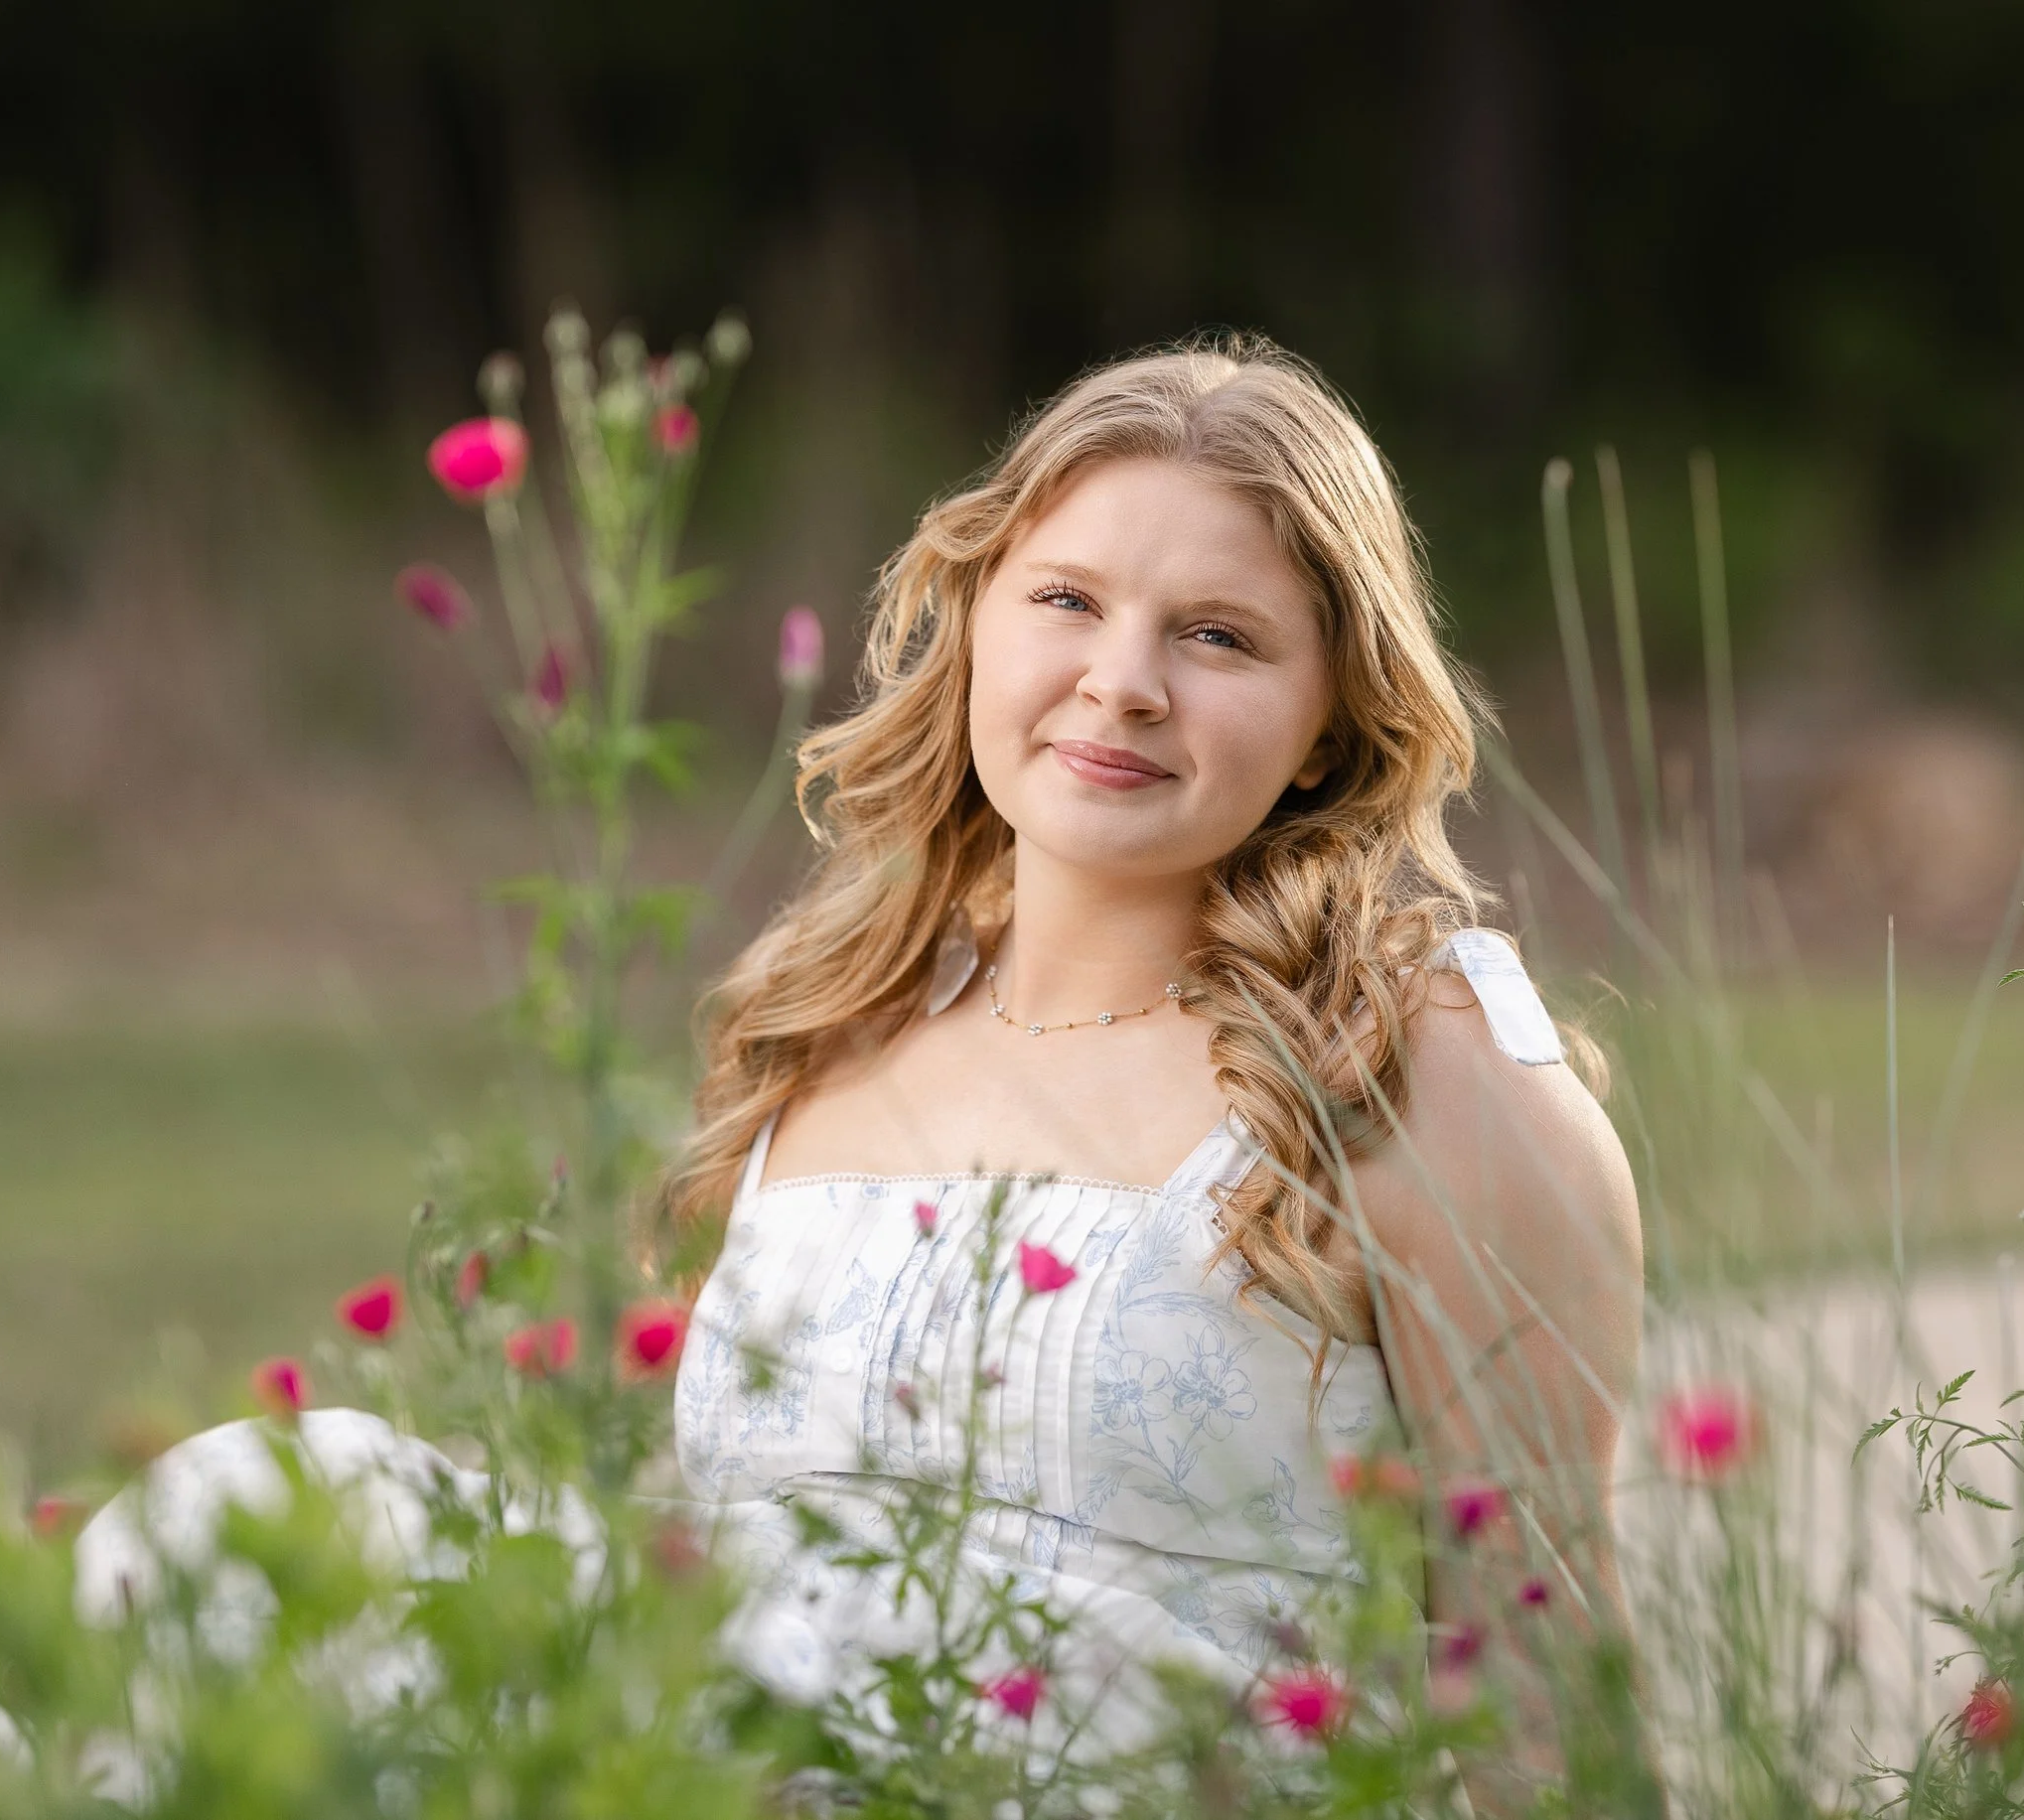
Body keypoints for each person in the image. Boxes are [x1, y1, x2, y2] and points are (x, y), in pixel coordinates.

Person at [657, 336, 1645, 1791]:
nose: (1120, 684)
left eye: (1218, 637)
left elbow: (1538, 1672)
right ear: (980, 621)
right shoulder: (822, 1028)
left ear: (1328, 726)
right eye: (1067, 600)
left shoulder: (1414, 1070)